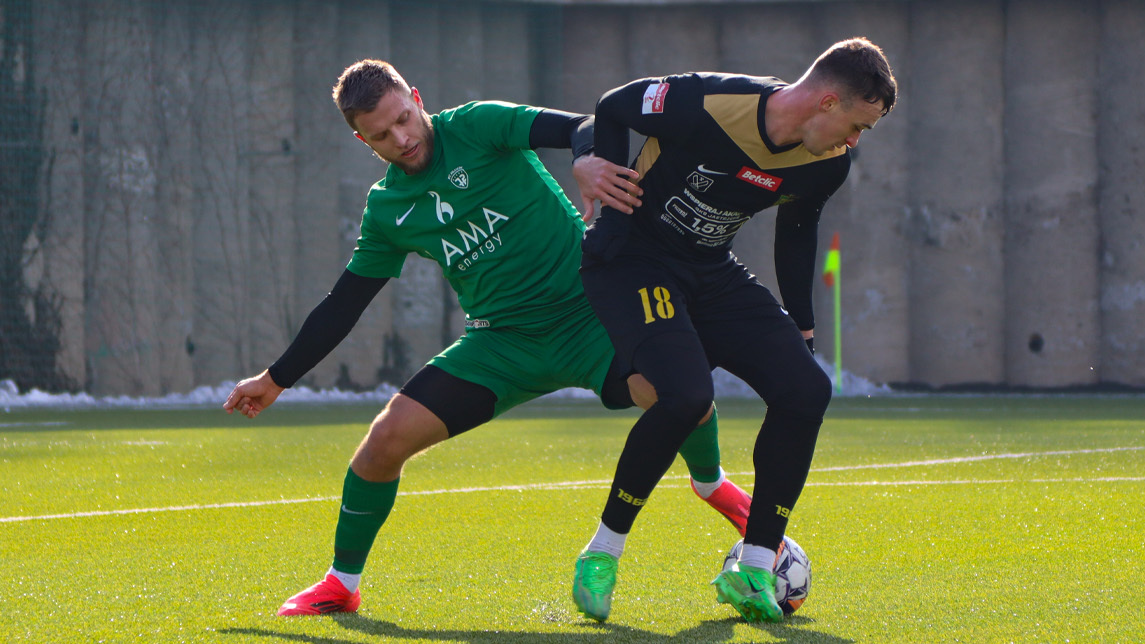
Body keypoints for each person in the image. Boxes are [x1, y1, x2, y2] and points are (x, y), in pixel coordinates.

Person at [222, 59, 753, 616]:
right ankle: (342, 583)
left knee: (682, 396)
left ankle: (711, 482)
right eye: (381, 135)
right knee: (381, 446)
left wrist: (585, 163)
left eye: (404, 118)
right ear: (362, 139)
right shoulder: (387, 210)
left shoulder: (476, 125)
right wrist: (274, 379)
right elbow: (345, 304)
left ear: (417, 98)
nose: (401, 138)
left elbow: (585, 125)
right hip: (502, 345)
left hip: (590, 315)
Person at [569, 37, 897, 623]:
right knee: (687, 395)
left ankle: (755, 564)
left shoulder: (827, 163)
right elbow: (613, 104)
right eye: (857, 125)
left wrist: (801, 324)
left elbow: (797, 232)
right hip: (634, 263)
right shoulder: (708, 101)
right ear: (827, 102)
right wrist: (598, 171)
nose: (854, 142)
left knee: (806, 390)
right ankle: (602, 552)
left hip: (710, 271)